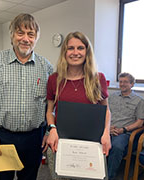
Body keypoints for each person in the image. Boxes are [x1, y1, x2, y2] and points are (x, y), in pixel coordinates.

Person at [0, 13, 53, 180]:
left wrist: (49, 130)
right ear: (12, 35)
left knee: (29, 177)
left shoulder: (46, 67)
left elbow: (52, 104)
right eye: (20, 33)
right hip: (2, 137)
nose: (25, 39)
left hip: (34, 138)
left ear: (36, 38)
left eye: (31, 34)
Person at [44, 31, 111, 179]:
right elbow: (50, 111)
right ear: (64, 52)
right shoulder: (54, 79)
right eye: (70, 48)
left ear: (87, 51)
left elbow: (106, 110)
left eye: (80, 48)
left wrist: (106, 133)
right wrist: (52, 129)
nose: (75, 53)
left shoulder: (97, 78)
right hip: (61, 142)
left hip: (92, 143)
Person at [107, 72, 144, 179]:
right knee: (92, 140)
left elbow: (140, 122)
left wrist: (123, 130)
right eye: (120, 81)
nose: (122, 84)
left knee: (117, 147)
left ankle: (108, 177)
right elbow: (105, 114)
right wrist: (107, 128)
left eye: (125, 82)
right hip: (108, 129)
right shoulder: (112, 97)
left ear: (132, 84)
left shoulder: (139, 101)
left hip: (125, 133)